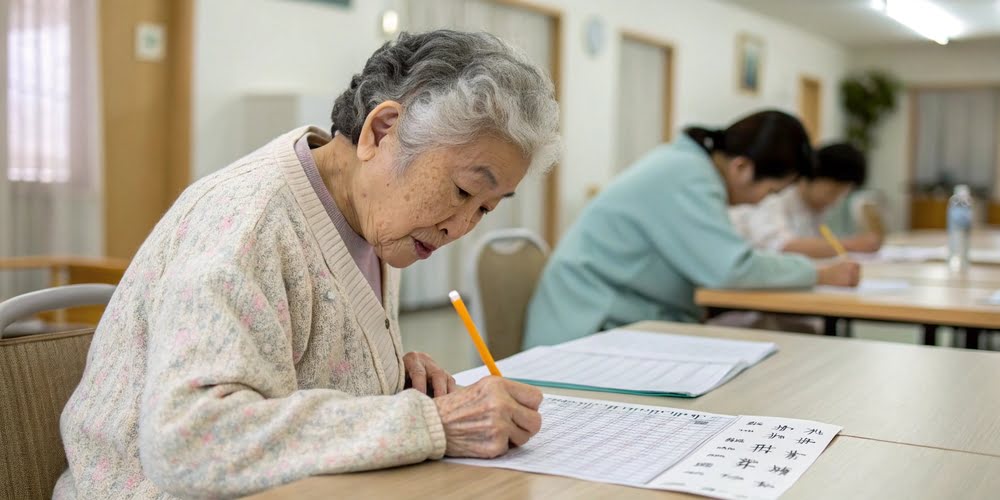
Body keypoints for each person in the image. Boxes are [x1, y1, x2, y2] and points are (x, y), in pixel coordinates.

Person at [55, 30, 560, 498]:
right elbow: (190, 441)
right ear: (383, 132)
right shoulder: (247, 223)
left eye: (486, 208)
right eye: (464, 191)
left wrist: (386, 378)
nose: (461, 226)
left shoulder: (368, 216)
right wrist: (431, 425)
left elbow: (295, 361)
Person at [523, 110, 860, 348]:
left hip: (618, 317)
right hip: (587, 328)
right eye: (770, 191)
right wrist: (819, 274)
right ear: (742, 167)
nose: (760, 202)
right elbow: (732, 267)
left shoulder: (688, 167)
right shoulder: (688, 176)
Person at [730, 142, 882, 258]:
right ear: (812, 177)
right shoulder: (776, 196)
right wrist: (850, 245)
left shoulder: (815, 207)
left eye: (841, 195)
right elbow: (781, 246)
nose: (834, 201)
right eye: (832, 192)